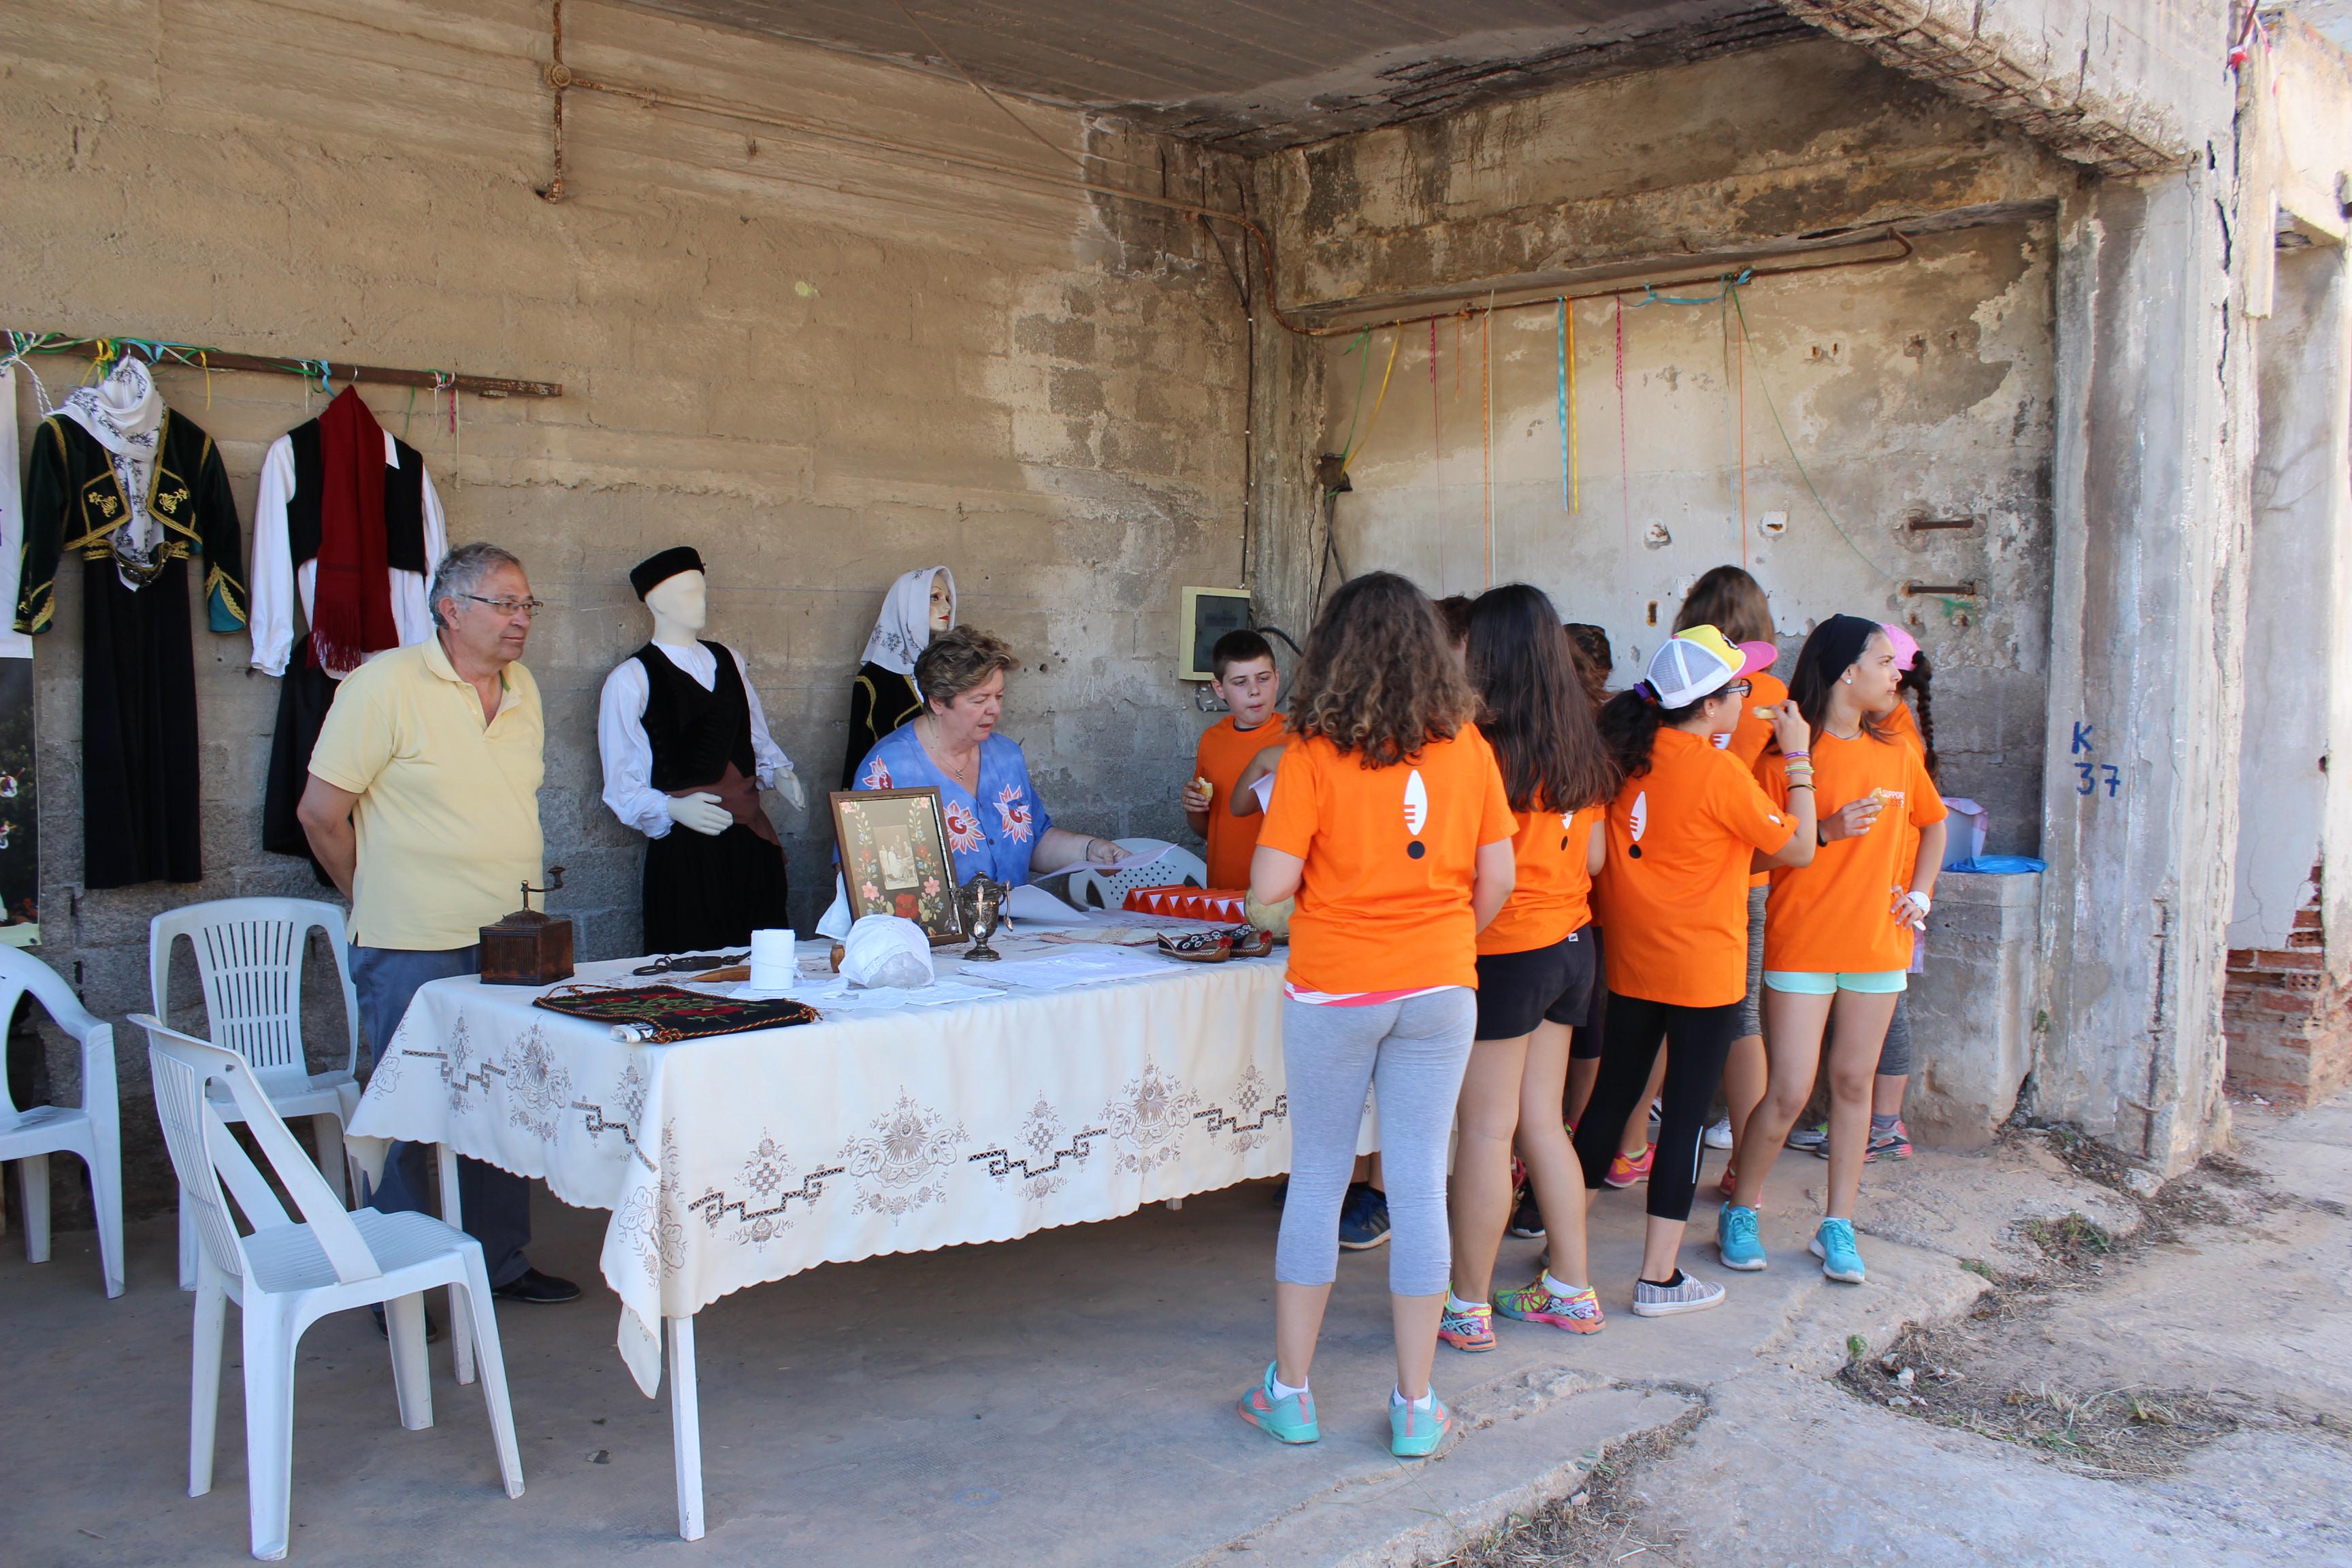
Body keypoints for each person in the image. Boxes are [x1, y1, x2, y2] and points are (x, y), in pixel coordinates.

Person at [1238, 571, 1515, 1460]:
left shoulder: (1312, 754)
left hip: (1335, 987)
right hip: (1441, 986)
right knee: (1421, 1181)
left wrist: (1309, 895)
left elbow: (1268, 889)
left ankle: (1290, 1393)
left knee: (1320, 1178)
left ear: (1333, 654)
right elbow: (1500, 879)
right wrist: (1444, 941)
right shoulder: (1469, 746)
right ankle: (1415, 1403)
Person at [296, 542, 578, 1314]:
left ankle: (499, 1261)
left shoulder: (523, 689)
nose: (521, 620)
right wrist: (373, 895)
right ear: (451, 610)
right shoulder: (382, 685)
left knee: (504, 1101)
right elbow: (320, 815)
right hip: (409, 942)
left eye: (527, 605)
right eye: (505, 604)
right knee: (405, 1109)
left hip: (512, 942)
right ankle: (398, 1283)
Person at [1574, 626, 1814, 1316]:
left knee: (1609, 1104)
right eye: (1738, 688)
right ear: (1710, 706)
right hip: (1705, 971)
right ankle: (1659, 1276)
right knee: (1682, 1119)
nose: (1745, 696)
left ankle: (1565, 1257)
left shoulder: (1626, 758)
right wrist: (1799, 760)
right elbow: (1799, 847)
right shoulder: (1719, 771)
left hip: (1632, 965)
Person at [1719, 617, 1946, 1286]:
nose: (1896, 673)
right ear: (1848, 671)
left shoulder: (1898, 751)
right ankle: (1741, 1209)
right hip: (1802, 945)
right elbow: (1748, 857)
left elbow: (1933, 826)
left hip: (1879, 946)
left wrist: (1921, 896)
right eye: (1884, 661)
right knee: (1789, 1091)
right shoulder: (1784, 757)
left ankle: (1837, 1224)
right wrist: (1822, 831)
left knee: (1853, 1084)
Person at [1439, 585, 1618, 1354]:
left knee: (1485, 1131)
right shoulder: (1580, 742)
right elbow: (1598, 858)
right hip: (1572, 946)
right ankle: (1571, 1290)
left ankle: (1467, 1306)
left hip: (1506, 951)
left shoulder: (1482, 747)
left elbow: (1472, 867)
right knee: (1542, 1124)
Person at [1606, 567, 1784, 1194]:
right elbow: (1790, 825)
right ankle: (1743, 1171)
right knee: (1740, 1026)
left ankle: (1627, 1149)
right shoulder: (1768, 698)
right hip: (1734, 882)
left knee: (1649, 1028)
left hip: (1655, 888)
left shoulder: (1653, 719)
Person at [851, 625, 1126, 883]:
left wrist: (1090, 850)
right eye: (979, 700)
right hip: (934, 921)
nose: (994, 710)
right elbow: (866, 876)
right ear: (937, 702)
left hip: (1013, 917)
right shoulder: (888, 769)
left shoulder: (1007, 756)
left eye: (999, 697)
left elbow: (1035, 840)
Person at [1183, 629, 1288, 890]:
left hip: (1279, 895)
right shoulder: (1212, 740)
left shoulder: (1299, 738)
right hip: (1222, 891)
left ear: (1277, 678)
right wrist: (1193, 807)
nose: (1255, 691)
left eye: (1263, 678)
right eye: (1241, 683)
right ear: (1219, 688)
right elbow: (1208, 830)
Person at [838, 566, 955, 789]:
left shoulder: (953, 671)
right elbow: (859, 752)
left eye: (948, 599)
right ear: (909, 605)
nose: (947, 607)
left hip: (954, 791)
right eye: (935, 597)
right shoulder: (875, 680)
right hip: (901, 796)